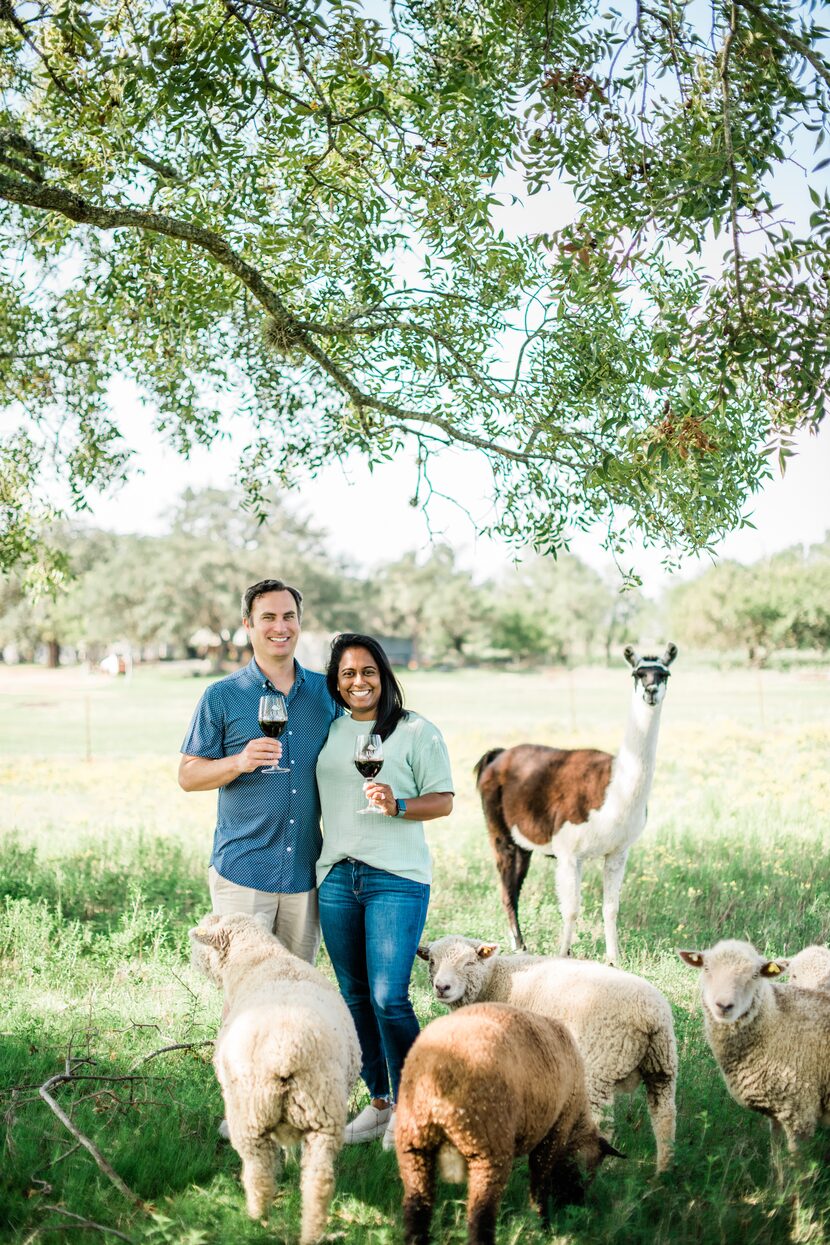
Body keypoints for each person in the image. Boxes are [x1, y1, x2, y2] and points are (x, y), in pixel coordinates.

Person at [315, 633, 454, 1151]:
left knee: (388, 997)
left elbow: (442, 802)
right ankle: (381, 1103)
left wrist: (398, 805)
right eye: (348, 674)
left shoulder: (417, 730)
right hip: (336, 878)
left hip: (395, 877)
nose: (359, 682)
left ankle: (420, 1102)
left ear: (384, 675)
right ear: (336, 681)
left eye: (368, 671)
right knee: (354, 998)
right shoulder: (327, 732)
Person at [179, 579, 340, 963]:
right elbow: (188, 776)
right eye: (268, 617)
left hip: (305, 874)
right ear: (248, 624)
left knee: (298, 987)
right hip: (243, 874)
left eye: (289, 617)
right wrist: (239, 762)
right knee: (242, 992)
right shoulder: (222, 695)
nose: (280, 627)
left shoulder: (327, 694)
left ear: (300, 623)